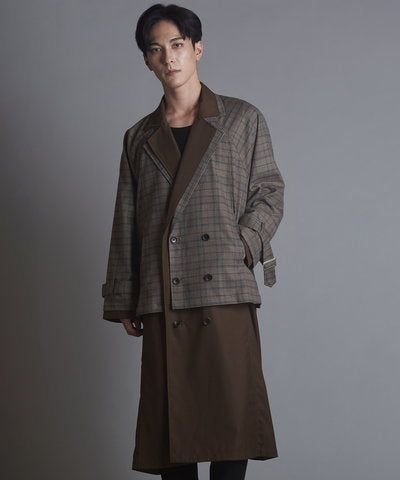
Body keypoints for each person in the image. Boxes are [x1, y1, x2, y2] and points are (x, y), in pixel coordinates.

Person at [101, 3, 285, 479]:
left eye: (177, 45)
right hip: (166, 292)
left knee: (230, 429)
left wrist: (243, 245)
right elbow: (127, 218)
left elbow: (269, 192)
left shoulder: (242, 119)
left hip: (223, 288)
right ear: (147, 60)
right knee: (173, 438)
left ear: (197, 48)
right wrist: (123, 296)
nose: (169, 58)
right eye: (156, 49)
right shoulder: (138, 137)